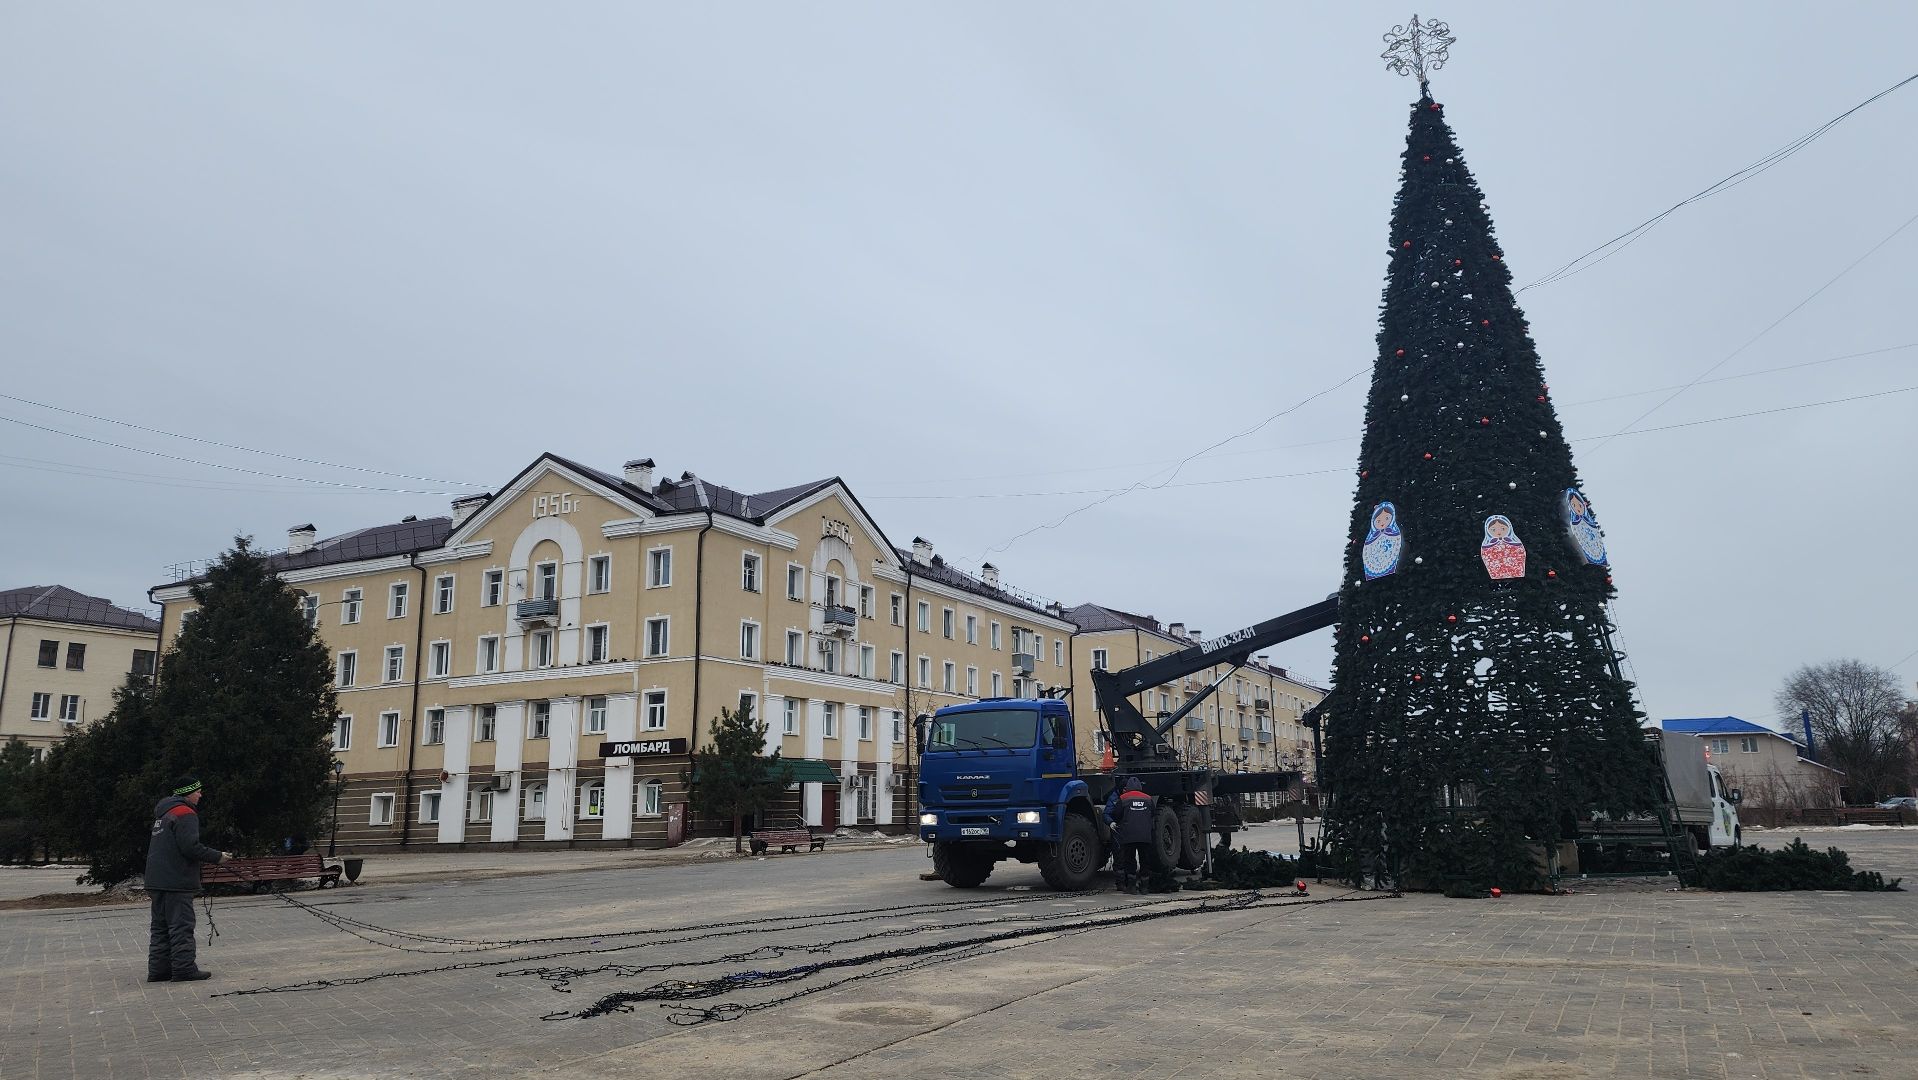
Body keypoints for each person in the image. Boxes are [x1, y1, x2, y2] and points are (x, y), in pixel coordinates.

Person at [146, 777, 231, 983]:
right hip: (176, 880)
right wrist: (218, 856)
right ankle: (184, 969)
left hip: (156, 879)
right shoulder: (185, 813)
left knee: (160, 927)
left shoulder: (164, 812)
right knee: (180, 926)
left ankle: (159, 971)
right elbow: (190, 847)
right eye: (198, 791)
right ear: (188, 793)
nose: (200, 795)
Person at [1106, 776, 1156, 895]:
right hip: (1145, 836)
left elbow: (1116, 815)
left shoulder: (1123, 799)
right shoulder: (1148, 799)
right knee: (1145, 861)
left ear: (1127, 787)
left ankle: (1132, 887)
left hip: (1128, 836)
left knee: (1130, 860)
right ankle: (1144, 887)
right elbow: (1153, 814)